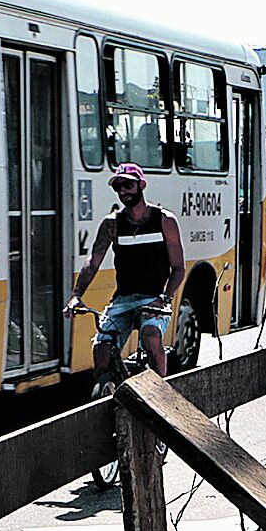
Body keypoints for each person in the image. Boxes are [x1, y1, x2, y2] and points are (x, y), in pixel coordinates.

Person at [68, 163, 186, 381]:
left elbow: (178, 269)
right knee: (102, 347)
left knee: (150, 335)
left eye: (128, 185)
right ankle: (105, 394)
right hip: (123, 300)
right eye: (118, 187)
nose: (123, 191)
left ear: (141, 185)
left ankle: (161, 391)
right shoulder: (112, 224)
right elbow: (93, 261)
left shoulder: (164, 220)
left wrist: (165, 299)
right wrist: (76, 296)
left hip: (154, 299)